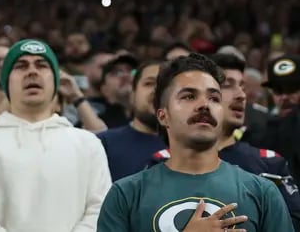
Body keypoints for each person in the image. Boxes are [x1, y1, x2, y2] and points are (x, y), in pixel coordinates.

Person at [98, 53, 293, 231]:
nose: (204, 105)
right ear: (163, 116)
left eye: (214, 98)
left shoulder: (263, 192)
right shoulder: (125, 195)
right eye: (189, 96)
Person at [0, 39, 111, 231]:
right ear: (6, 83)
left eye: (42, 65)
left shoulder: (88, 144)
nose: (32, 72)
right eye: (21, 66)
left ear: (55, 82)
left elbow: (100, 209)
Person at [97, 59, 166, 181]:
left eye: (165, 85)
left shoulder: (193, 146)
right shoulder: (103, 144)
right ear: (133, 95)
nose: (157, 90)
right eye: (149, 83)